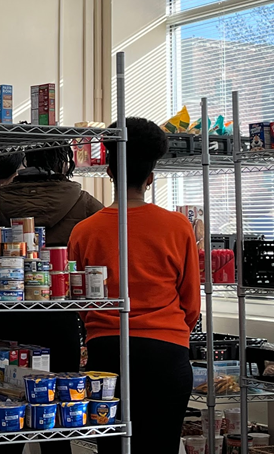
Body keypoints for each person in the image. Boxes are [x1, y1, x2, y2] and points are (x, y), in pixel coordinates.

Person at [68, 117, 200, 454]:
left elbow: (79, 300)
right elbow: (190, 304)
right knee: (161, 446)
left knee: (112, 447)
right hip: (166, 351)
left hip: (107, 351)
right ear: (151, 177)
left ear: (110, 172)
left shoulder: (84, 231)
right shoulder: (178, 227)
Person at [0, 145, 103, 454]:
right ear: (64, 161)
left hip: (1, 314)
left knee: (4, 423)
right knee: (57, 422)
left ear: (24, 159)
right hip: (57, 319)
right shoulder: (85, 203)